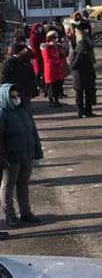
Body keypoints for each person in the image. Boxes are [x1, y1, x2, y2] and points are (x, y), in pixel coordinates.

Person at [0, 84, 43, 228]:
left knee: (23, 184)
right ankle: (10, 215)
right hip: (11, 158)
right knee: (8, 187)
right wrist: (3, 158)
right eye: (12, 97)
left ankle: (25, 212)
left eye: (18, 96)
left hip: (27, 154)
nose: (16, 99)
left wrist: (37, 150)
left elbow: (33, 132)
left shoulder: (24, 110)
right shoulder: (2, 113)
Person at [70, 28, 97, 118]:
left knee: (80, 94)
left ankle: (81, 111)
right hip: (86, 73)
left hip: (81, 74)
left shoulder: (81, 45)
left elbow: (76, 61)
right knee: (86, 93)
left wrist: (72, 65)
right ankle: (87, 111)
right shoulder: (86, 46)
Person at [41, 31, 66, 108]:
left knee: (58, 85)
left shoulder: (58, 47)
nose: (56, 40)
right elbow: (48, 60)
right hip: (51, 70)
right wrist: (59, 61)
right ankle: (51, 100)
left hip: (59, 70)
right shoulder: (46, 48)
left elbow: (63, 55)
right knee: (51, 86)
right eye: (54, 38)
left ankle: (56, 99)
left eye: (57, 38)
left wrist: (62, 57)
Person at [28, 23, 45, 90]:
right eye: (38, 28)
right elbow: (34, 47)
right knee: (37, 70)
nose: (40, 29)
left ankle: (42, 84)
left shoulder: (40, 34)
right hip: (36, 55)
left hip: (41, 54)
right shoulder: (33, 36)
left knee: (41, 70)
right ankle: (38, 84)